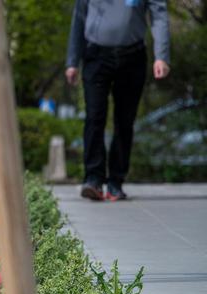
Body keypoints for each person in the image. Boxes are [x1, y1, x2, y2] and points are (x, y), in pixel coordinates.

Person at [66, 0, 170, 201]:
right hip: (95, 55)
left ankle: (115, 182)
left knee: (124, 120)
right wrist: (72, 61)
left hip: (133, 55)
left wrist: (162, 56)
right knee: (94, 116)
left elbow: (159, 16)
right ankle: (93, 180)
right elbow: (78, 18)